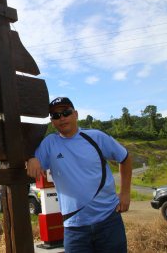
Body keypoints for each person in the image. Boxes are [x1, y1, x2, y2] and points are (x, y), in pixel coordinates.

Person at [27, 97, 132, 253]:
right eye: (56, 116)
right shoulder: (50, 144)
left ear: (75, 114)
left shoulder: (96, 137)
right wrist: (31, 158)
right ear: (52, 121)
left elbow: (125, 158)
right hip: (74, 228)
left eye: (66, 113)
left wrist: (125, 193)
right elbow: (33, 164)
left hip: (108, 221)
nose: (61, 118)